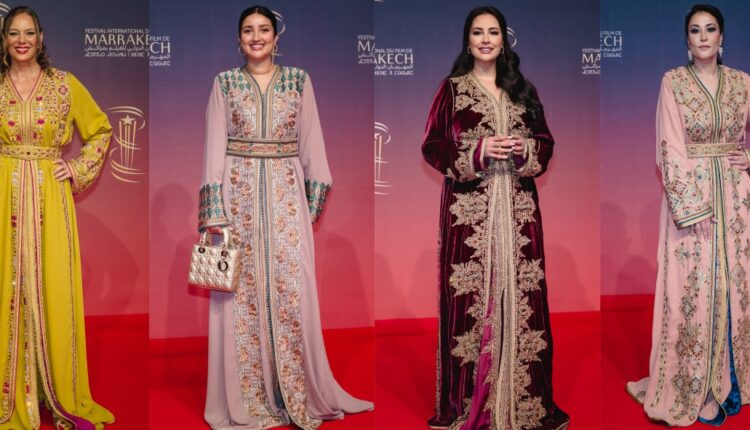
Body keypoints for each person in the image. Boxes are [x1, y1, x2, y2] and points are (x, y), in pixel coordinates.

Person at [199, 5, 372, 429]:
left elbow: (313, 144)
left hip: (286, 199)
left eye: (264, 30)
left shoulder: (298, 81)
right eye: (248, 30)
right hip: (237, 198)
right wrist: (215, 212)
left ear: (277, 38)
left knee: (292, 290)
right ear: (238, 39)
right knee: (241, 293)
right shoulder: (224, 83)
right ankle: (248, 395)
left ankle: (295, 389)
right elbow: (213, 147)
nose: (256, 36)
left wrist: (308, 208)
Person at [421, 6, 569, 430]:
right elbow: (432, 146)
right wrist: (478, 151)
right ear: (467, 41)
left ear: (505, 40)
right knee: (471, 301)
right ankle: (471, 403)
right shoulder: (451, 90)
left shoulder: (523, 89)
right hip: (470, 213)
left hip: (519, 210)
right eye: (477, 33)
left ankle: (523, 402)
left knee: (523, 298)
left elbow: (546, 142)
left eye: (493, 32)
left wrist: (526, 149)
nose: (485, 40)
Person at [626, 4, 750, 426]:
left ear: (722, 37)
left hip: (736, 199)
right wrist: (691, 207)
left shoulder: (743, 83)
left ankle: (732, 379)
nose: (703, 37)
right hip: (692, 203)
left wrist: (748, 158)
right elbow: (669, 147)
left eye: (710, 29)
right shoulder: (673, 82)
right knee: (693, 289)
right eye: (695, 30)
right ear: (687, 39)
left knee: (735, 285)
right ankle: (696, 385)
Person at [0, 6, 114, 430]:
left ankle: (55, 389)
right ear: (4, 39)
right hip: (5, 195)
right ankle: (11, 390)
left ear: (41, 38)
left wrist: (78, 168)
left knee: (53, 287)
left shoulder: (64, 85)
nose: (22, 40)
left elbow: (100, 130)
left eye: (29, 33)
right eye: (14, 33)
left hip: (51, 196)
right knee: (6, 286)